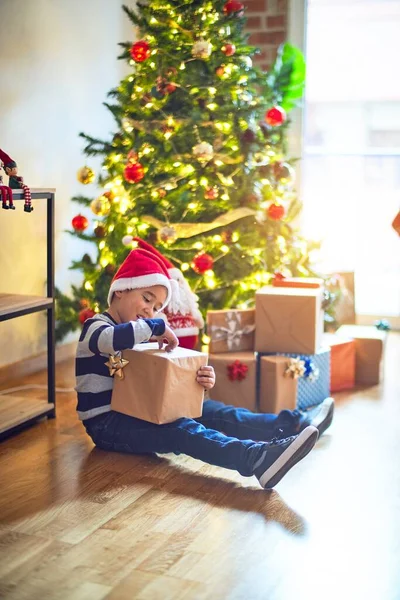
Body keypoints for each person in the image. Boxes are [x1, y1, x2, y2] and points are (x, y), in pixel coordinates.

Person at [76, 247, 334, 490]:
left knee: (214, 411)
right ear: (120, 290)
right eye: (146, 298)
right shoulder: (97, 327)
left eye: (156, 307)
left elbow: (157, 378)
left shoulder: (140, 334)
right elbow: (109, 340)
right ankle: (256, 459)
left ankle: (296, 425)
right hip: (108, 425)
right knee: (180, 431)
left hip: (140, 410)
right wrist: (155, 326)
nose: (150, 310)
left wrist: (195, 381)